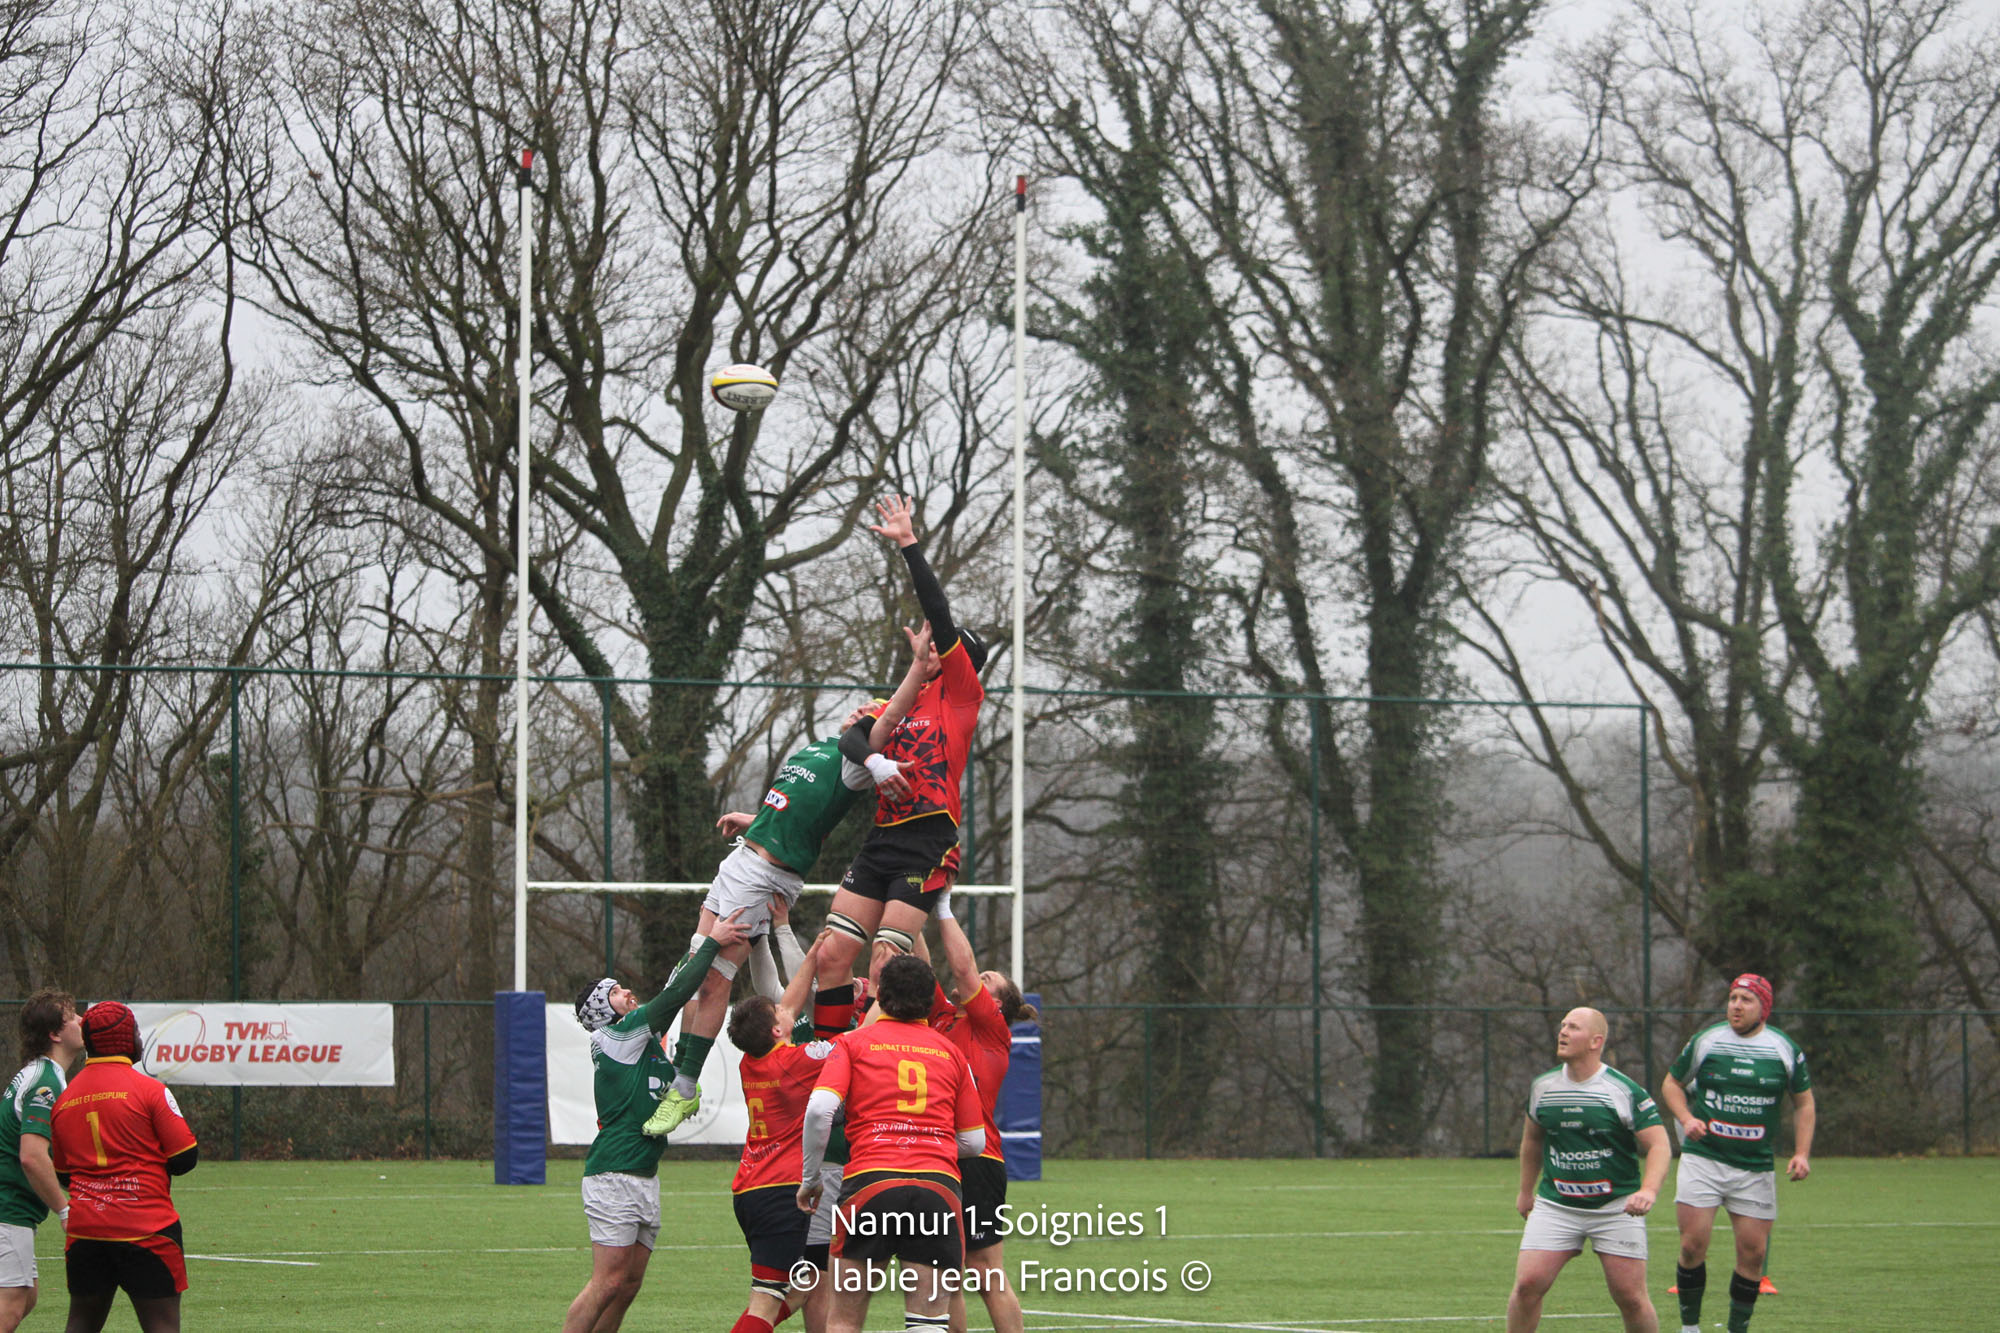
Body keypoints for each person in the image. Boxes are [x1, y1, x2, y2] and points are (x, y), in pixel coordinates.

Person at [645, 638, 935, 1138]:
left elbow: (892, 714)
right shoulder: (819, 748)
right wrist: (755, 819)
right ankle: (674, 1067)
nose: (865, 711)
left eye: (875, 715)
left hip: (764, 876)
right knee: (694, 960)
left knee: (713, 978)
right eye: (864, 707)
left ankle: (685, 1087)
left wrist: (918, 670)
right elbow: (795, 807)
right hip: (744, 857)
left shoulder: (853, 763)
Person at [816, 496, 988, 1038]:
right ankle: (827, 1055)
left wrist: (909, 544)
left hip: (927, 839)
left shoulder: (961, 696)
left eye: (942, 645)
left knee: (885, 964)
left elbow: (938, 611)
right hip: (883, 837)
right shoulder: (905, 695)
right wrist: (873, 758)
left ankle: (867, 1060)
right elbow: (852, 738)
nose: (932, 646)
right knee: (830, 955)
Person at [563, 911, 753, 1333]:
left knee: (627, 1285)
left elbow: (685, 1000)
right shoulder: (615, 1038)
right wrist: (712, 941)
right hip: (614, 1173)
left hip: (644, 1175)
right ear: (602, 1010)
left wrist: (701, 940)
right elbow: (675, 995)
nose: (626, 992)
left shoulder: (642, 1043)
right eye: (615, 992)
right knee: (607, 1281)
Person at [797, 954, 984, 1333]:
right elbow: (974, 1141)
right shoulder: (952, 1052)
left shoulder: (852, 1043)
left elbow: (819, 1110)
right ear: (929, 1002)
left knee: (844, 1320)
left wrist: (811, 1178)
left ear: (879, 995)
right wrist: (929, 1139)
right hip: (937, 1190)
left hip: (870, 1184)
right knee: (929, 1321)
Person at [1659, 974, 1814, 1333]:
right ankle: (1689, 1328)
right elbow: (1672, 1083)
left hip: (1754, 1167)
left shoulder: (1784, 1049)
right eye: (1732, 998)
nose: (1736, 1006)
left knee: (1753, 1254)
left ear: (1764, 1008)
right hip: (1704, 1159)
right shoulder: (1707, 1040)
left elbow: (1804, 1103)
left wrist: (1802, 1152)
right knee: (1692, 1245)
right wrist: (1686, 1118)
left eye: (1746, 1000)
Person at [1508, 1007, 1670, 1333]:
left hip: (1615, 1208)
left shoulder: (1623, 1090)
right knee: (1527, 1286)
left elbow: (1659, 1144)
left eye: (1574, 1027)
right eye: (1563, 1025)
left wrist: (1648, 1190)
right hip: (1557, 1205)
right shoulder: (1543, 1087)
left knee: (1631, 1298)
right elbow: (1533, 1140)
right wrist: (1526, 1191)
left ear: (1596, 1041)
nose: (1563, 1032)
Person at [47, 1001, 198, 1333]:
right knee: (161, 1326)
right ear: (125, 1039)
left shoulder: (64, 1100)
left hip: (86, 1232)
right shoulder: (151, 1091)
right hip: (147, 1229)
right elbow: (185, 1157)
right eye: (136, 1032)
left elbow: (64, 1175)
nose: (140, 1038)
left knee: (81, 1323)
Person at [927, 894, 1032, 1333]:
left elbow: (964, 968)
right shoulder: (942, 1020)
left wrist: (942, 905)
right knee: (945, 1271)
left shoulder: (991, 1027)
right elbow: (920, 968)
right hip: (938, 1159)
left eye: (989, 981)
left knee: (986, 1272)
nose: (977, 977)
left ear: (997, 1005)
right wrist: (908, 906)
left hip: (978, 1160)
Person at [723, 933, 834, 1333]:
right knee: (766, 1299)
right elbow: (859, 1042)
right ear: (775, 1031)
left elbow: (789, 1005)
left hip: (751, 1188)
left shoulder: (752, 1061)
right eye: (778, 1012)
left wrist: (813, 956)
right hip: (778, 1193)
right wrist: (883, 1003)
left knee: (806, 1284)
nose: (786, 1008)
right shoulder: (796, 1061)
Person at [0, 991, 82, 1333]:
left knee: (27, 1296)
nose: (81, 1020)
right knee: (11, 1305)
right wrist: (65, 1210)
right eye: (72, 1016)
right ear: (54, 1034)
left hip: (13, 1209)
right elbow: (32, 1156)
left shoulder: (41, 1074)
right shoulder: (45, 1083)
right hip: (7, 1208)